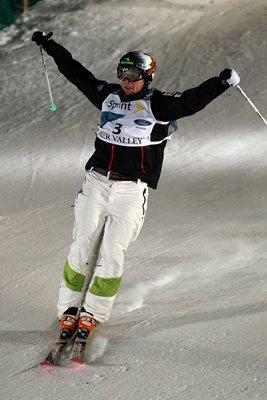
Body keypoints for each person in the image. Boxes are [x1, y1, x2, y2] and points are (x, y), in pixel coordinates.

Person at [31, 31, 240, 341]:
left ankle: (93, 313)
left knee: (113, 251)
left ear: (147, 77)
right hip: (97, 182)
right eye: (123, 74)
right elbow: (75, 72)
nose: (127, 80)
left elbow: (192, 102)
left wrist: (220, 83)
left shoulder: (158, 104)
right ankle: (69, 309)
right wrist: (49, 45)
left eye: (134, 75)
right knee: (82, 245)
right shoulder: (108, 95)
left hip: (130, 190)